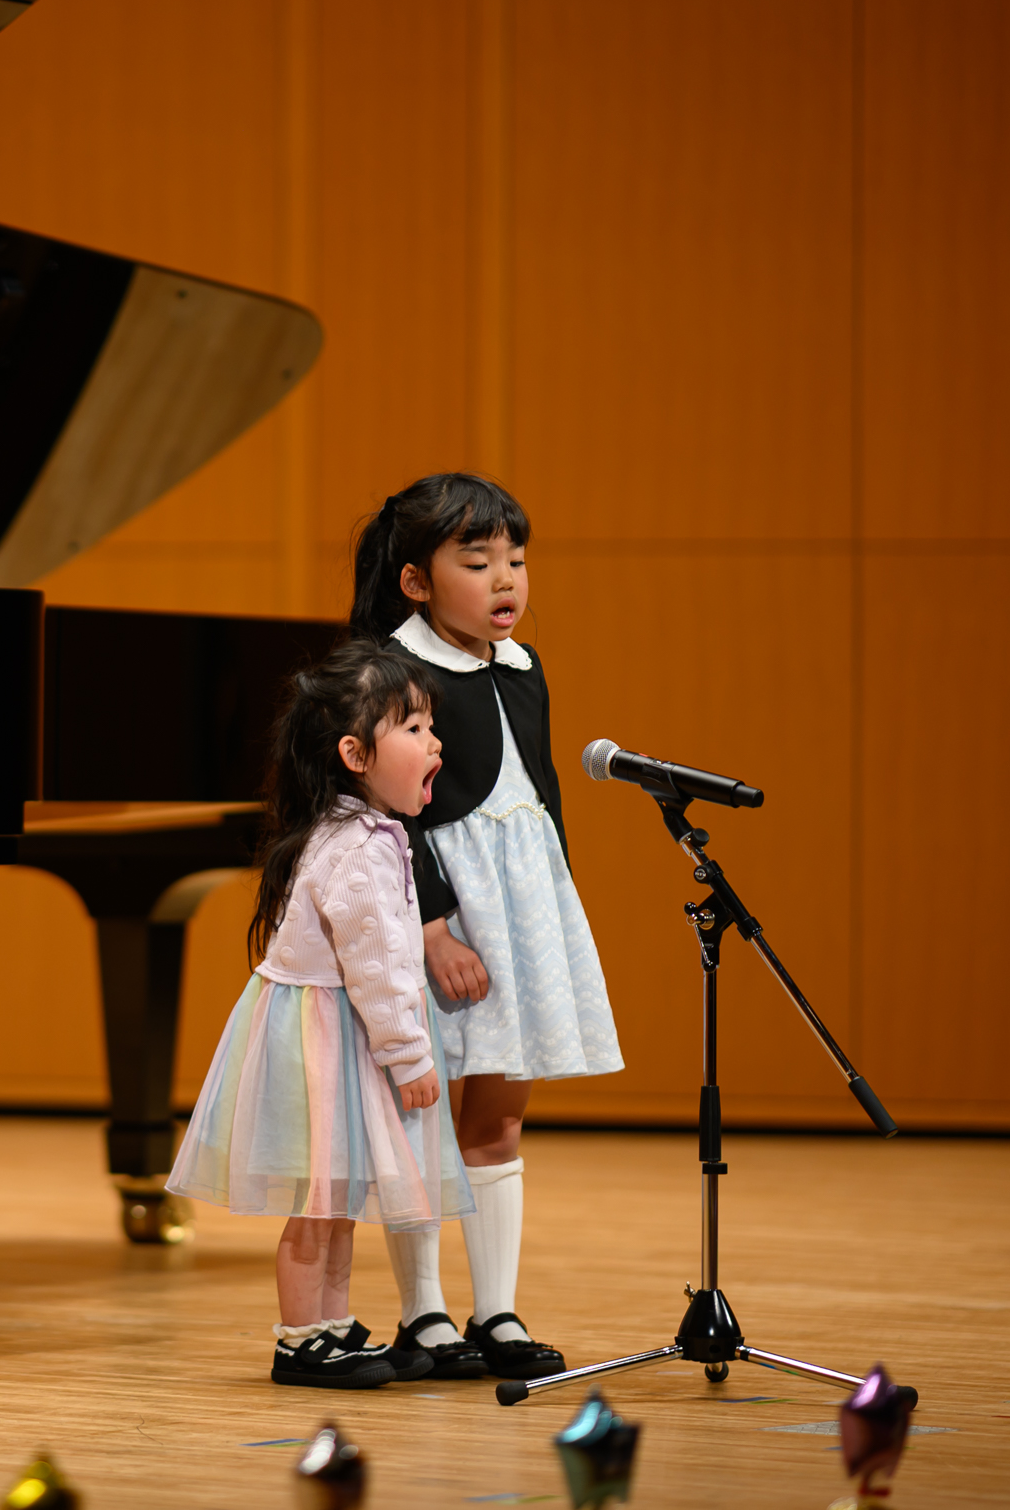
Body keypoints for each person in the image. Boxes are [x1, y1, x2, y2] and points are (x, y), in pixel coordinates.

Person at [347, 472, 624, 1383]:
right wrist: (431, 928)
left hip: (519, 911)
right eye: (477, 561)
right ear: (416, 581)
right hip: (434, 911)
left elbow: (538, 794)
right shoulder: (393, 671)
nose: (505, 578)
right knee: (423, 1114)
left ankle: (496, 1309)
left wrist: (557, 906)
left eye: (516, 559)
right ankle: (423, 1312)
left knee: (498, 1117)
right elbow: (389, 818)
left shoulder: (523, 664)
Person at [166, 638, 473, 1389]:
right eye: (413, 728)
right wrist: (410, 1055)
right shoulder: (359, 849)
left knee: (333, 1199)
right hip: (325, 1045)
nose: (434, 742)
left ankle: (331, 1325)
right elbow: (379, 969)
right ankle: (301, 1339)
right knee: (317, 1204)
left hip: (333, 1038)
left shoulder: (354, 831)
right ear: (355, 754)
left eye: (432, 726)